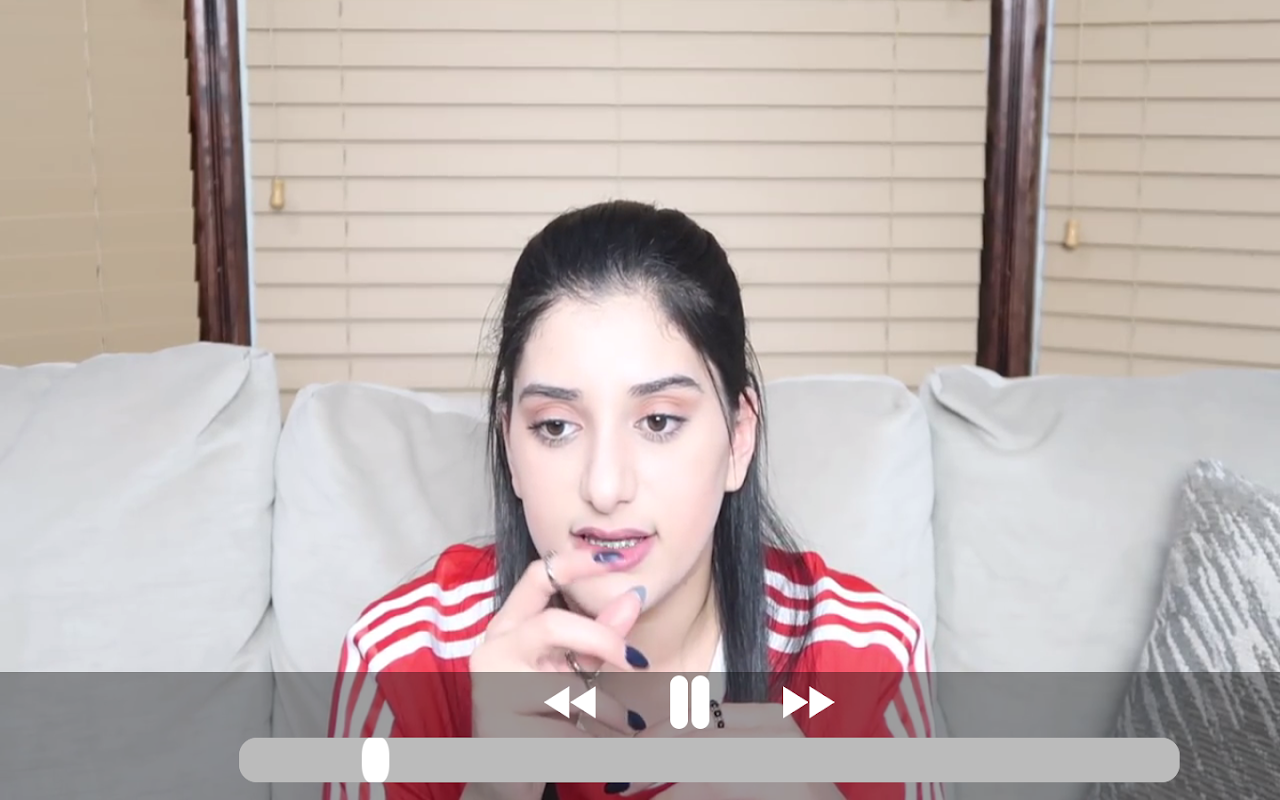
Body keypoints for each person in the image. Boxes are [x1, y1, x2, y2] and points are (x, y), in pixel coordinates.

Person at [325, 201, 942, 800]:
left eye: (658, 421)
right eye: (556, 426)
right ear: (510, 446)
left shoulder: (865, 661)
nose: (604, 487)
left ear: (738, 438)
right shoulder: (405, 661)